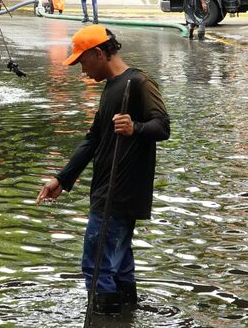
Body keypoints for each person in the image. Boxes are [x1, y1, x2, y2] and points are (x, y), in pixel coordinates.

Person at [36, 25, 170, 316]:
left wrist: (135, 127)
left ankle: (104, 321)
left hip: (119, 192)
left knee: (96, 266)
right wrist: (62, 178)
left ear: (99, 53)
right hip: (108, 190)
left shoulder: (139, 83)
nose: (82, 70)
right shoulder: (112, 88)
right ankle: (126, 317)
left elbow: (162, 126)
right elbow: (94, 138)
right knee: (117, 264)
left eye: (83, 62)